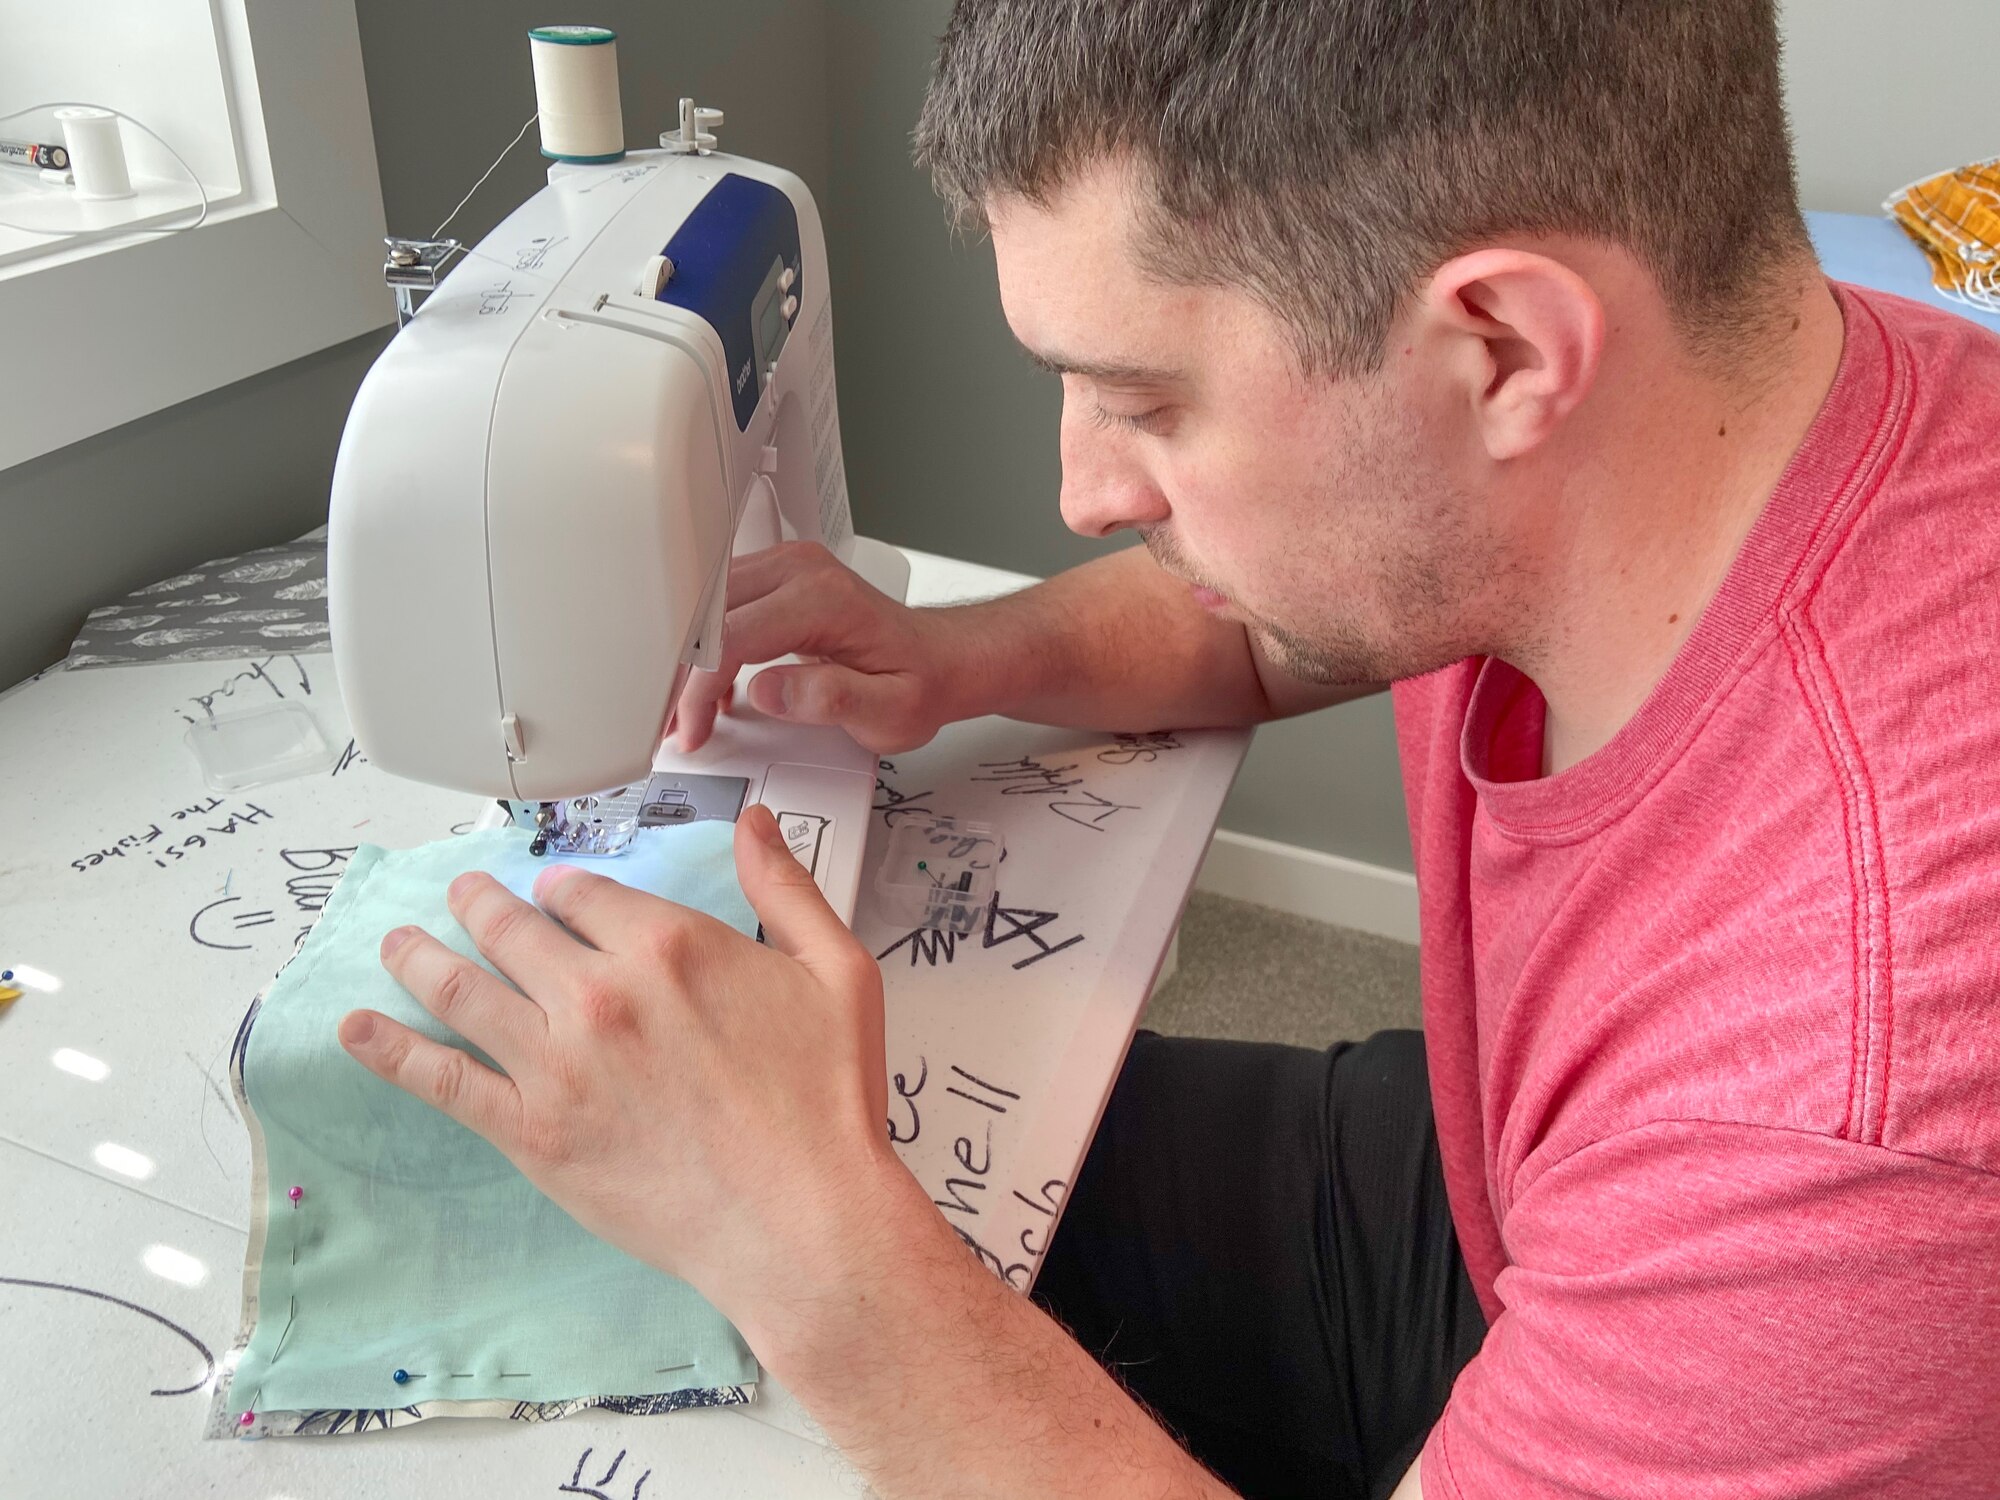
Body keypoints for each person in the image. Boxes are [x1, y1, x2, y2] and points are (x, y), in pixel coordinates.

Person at [335, 2, 2000, 1495]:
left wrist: (808, 1248)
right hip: (1490, 1169)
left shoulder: (1840, 1115)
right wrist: (959, 658)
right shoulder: (1760, 372)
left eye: (1143, 403)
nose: (1086, 493)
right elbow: (1295, 619)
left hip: (1666, 1227)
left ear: (1502, 350)